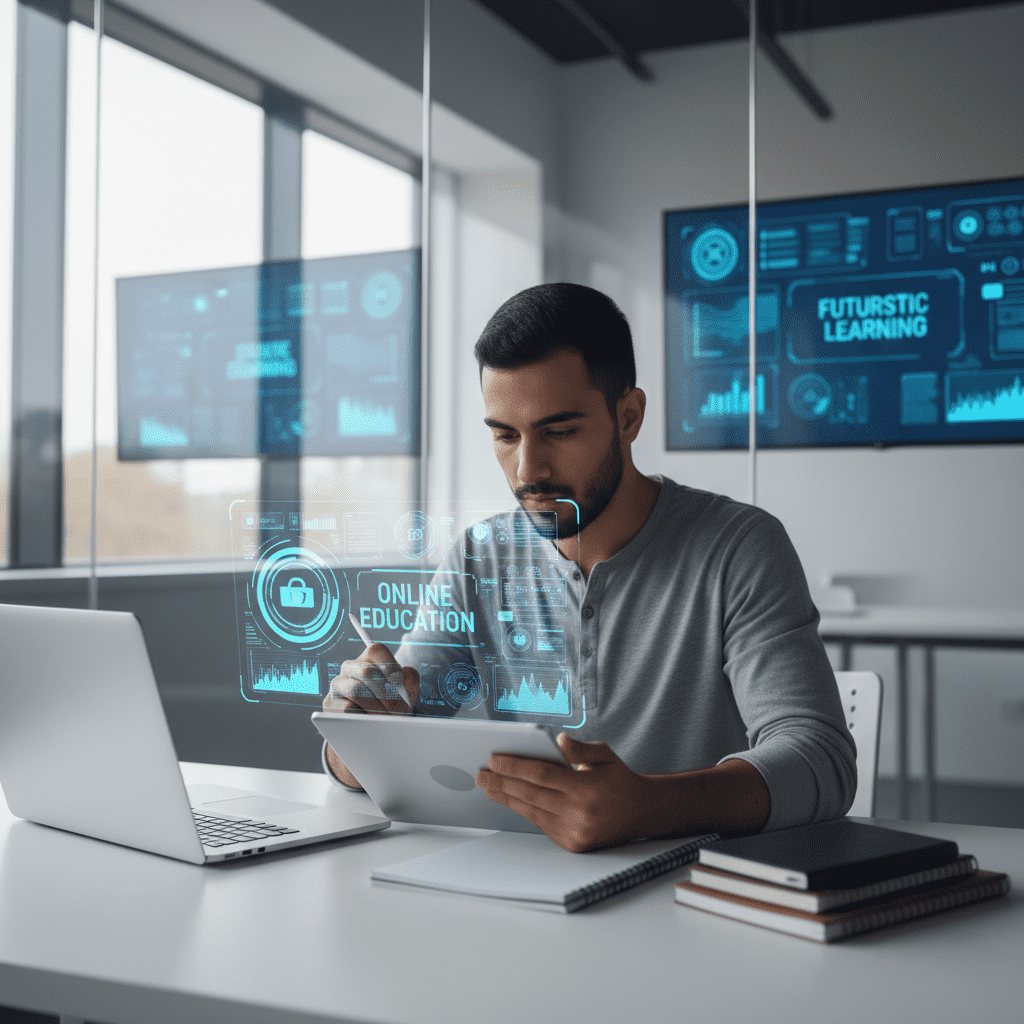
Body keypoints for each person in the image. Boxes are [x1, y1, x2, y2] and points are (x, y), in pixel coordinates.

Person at [322, 283, 856, 853]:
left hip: (689, 892)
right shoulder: (480, 555)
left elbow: (819, 757)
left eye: (560, 431)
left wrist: (651, 807)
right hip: (516, 884)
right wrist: (353, 735)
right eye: (505, 435)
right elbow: (391, 734)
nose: (528, 469)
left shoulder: (739, 548)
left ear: (628, 417)